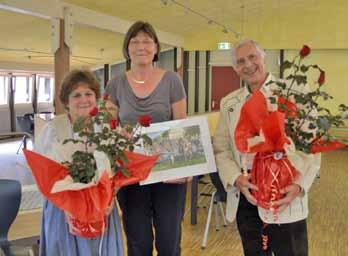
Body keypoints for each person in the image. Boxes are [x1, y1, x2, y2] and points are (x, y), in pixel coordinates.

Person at [213, 39, 321, 256]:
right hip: (248, 195)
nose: (248, 64)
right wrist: (236, 178)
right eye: (241, 61)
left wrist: (299, 185)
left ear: (264, 58)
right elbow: (222, 149)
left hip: (284, 196)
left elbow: (312, 145)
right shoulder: (230, 103)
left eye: (253, 57)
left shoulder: (293, 93)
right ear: (235, 68)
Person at [105, 21, 189, 256]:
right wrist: (117, 135)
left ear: (155, 47)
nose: (141, 46)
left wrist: (186, 166)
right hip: (131, 177)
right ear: (127, 48)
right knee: (137, 242)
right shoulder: (115, 84)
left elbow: (181, 126)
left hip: (168, 175)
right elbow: (107, 131)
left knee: (169, 242)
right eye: (135, 41)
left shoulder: (172, 80)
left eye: (147, 41)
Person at [35, 70, 123, 256]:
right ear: (66, 101)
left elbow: (116, 169)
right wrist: (69, 206)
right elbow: (44, 175)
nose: (84, 99)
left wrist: (110, 197)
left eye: (88, 94)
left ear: (96, 98)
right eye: (76, 95)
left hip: (100, 207)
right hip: (64, 211)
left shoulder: (105, 127)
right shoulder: (53, 129)